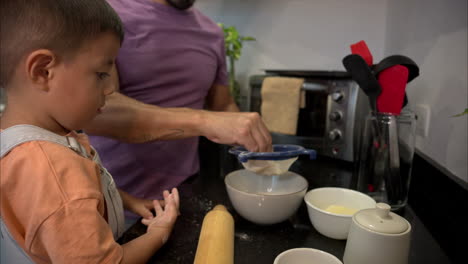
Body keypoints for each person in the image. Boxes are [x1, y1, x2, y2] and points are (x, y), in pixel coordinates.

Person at [0, 1, 179, 263]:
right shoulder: (54, 170)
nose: (110, 89)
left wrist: (129, 202)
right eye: (101, 74)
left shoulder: (26, 139)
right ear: (43, 71)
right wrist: (158, 233)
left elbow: (82, 192)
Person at [85, 0, 272, 223]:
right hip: (113, 201)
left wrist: (247, 135)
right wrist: (203, 120)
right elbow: (98, 109)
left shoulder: (212, 32)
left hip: (184, 195)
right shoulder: (104, 13)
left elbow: (222, 105)